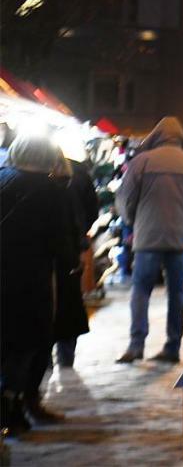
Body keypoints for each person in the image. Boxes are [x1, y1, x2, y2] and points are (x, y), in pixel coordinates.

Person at [0, 133, 79, 434]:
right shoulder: (53, 191)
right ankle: (14, 406)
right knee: (29, 342)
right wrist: (71, 262)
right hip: (32, 279)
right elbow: (62, 240)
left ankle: (14, 405)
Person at [116, 117, 183, 364]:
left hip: (148, 237)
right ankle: (172, 346)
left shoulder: (141, 163)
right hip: (180, 238)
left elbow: (125, 201)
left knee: (141, 290)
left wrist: (134, 221)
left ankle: (137, 344)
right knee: (176, 293)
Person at [55, 158, 98, 368]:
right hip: (70, 251)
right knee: (68, 304)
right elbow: (92, 210)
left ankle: (43, 364)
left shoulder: (16, 179)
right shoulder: (78, 173)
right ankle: (65, 358)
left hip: (40, 255)